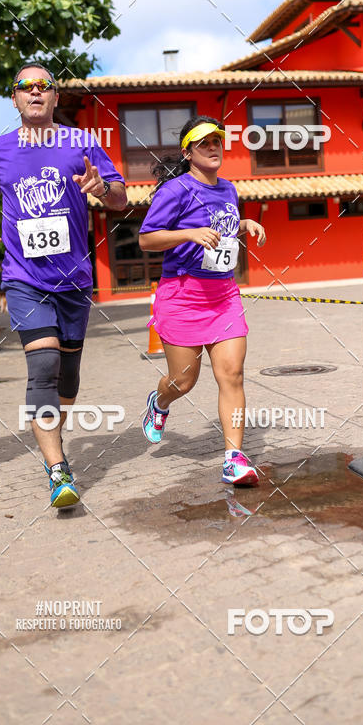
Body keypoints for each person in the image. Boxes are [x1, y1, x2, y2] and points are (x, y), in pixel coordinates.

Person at [0, 62, 127, 509]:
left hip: (74, 279)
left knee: (68, 375)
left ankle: (53, 435)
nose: (35, 92)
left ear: (56, 97)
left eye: (44, 85)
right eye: (26, 86)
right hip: (24, 278)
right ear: (15, 98)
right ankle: (58, 469)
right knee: (43, 366)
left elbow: (121, 198)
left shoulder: (81, 143)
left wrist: (102, 189)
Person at [139, 116, 266, 485]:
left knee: (232, 375)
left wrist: (244, 225)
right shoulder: (175, 190)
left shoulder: (228, 189)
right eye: (203, 142)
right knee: (183, 381)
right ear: (188, 152)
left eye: (217, 141)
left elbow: (220, 228)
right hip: (182, 296)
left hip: (223, 295)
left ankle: (234, 459)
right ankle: (159, 403)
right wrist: (189, 234)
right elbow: (147, 239)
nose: (213, 147)